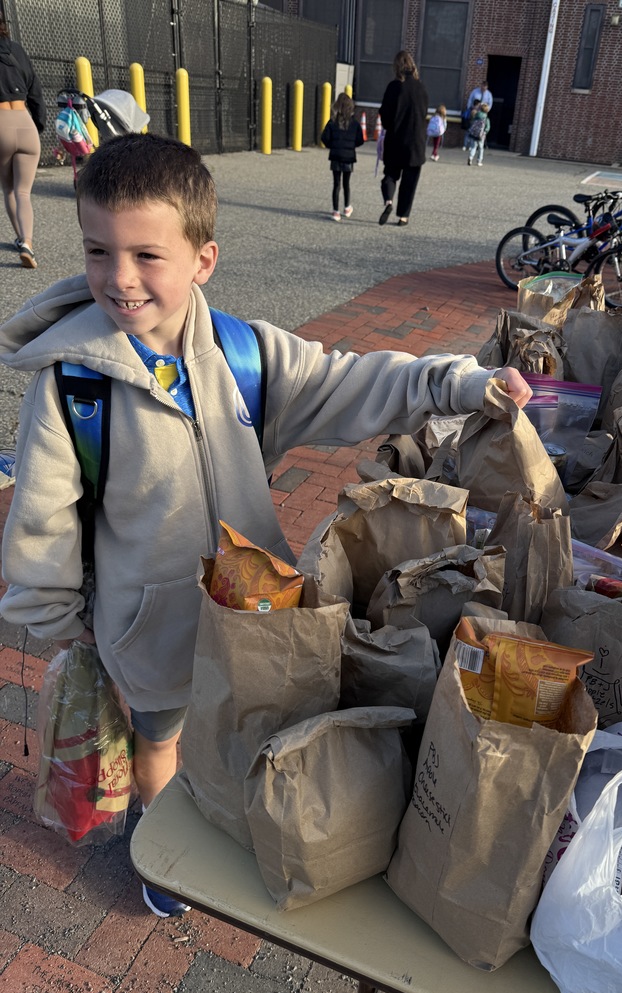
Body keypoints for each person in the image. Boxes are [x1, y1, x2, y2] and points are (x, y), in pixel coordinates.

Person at [0, 132, 532, 917]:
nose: (119, 278)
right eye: (97, 250)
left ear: (202, 259)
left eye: (148, 255)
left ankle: (222, 811)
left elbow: (349, 379)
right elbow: (41, 524)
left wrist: (456, 382)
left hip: (255, 616)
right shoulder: (71, 390)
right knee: (161, 742)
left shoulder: (244, 353)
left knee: (244, 724)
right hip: (148, 631)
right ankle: (163, 848)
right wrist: (67, 623)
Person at [0, 17, 45, 269]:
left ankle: (20, 237)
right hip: (25, 122)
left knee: (9, 189)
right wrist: (37, 127)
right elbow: (35, 91)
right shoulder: (16, 49)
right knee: (24, 191)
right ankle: (28, 242)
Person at [378, 50, 429, 227]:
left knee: (390, 176)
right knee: (410, 182)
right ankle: (403, 216)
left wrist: (389, 125)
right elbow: (424, 114)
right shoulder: (421, 88)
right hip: (415, 143)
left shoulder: (394, 87)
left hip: (396, 140)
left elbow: (384, 114)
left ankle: (388, 202)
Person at [320, 92, 364, 222]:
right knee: (346, 183)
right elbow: (360, 140)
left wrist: (332, 146)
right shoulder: (354, 124)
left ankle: (335, 211)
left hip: (335, 155)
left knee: (336, 184)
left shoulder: (332, 122)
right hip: (348, 156)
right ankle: (346, 207)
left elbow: (324, 137)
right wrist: (351, 146)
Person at [467, 103, 490, 167]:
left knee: (473, 147)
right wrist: (485, 132)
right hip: (481, 135)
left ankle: (470, 158)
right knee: (480, 148)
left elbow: (472, 123)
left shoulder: (476, 116)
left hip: (474, 133)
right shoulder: (486, 118)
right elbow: (487, 127)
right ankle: (479, 161)